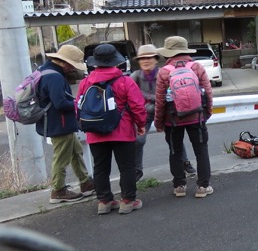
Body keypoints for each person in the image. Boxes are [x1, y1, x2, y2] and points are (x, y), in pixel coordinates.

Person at [77, 44, 148, 214]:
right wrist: (140, 125)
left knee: (100, 167)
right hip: (122, 131)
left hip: (95, 131)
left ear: (96, 63)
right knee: (127, 167)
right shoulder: (125, 81)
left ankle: (104, 202)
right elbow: (138, 106)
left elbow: (78, 106)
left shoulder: (85, 82)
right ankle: (127, 201)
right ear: (116, 62)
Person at [154, 36, 215, 198]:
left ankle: (179, 185)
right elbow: (208, 93)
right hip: (197, 116)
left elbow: (160, 101)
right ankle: (203, 187)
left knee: (175, 151)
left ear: (168, 53)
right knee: (201, 150)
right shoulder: (196, 67)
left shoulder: (164, 72)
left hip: (172, 120)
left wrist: (159, 122)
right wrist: (207, 112)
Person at [35, 45, 96, 203]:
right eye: (73, 65)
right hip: (59, 123)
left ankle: (85, 183)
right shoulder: (54, 76)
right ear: (66, 63)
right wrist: (79, 104)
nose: (72, 69)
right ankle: (58, 190)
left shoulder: (45, 71)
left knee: (76, 151)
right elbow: (60, 103)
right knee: (62, 157)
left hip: (57, 122)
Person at [130, 44, 194, 181]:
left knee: (173, 140)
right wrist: (153, 99)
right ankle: (137, 169)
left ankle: (185, 162)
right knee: (138, 140)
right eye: (142, 58)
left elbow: (168, 95)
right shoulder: (135, 76)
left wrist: (145, 96)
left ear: (155, 59)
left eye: (149, 57)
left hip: (164, 112)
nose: (145, 61)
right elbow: (131, 95)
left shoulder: (163, 73)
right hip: (144, 114)